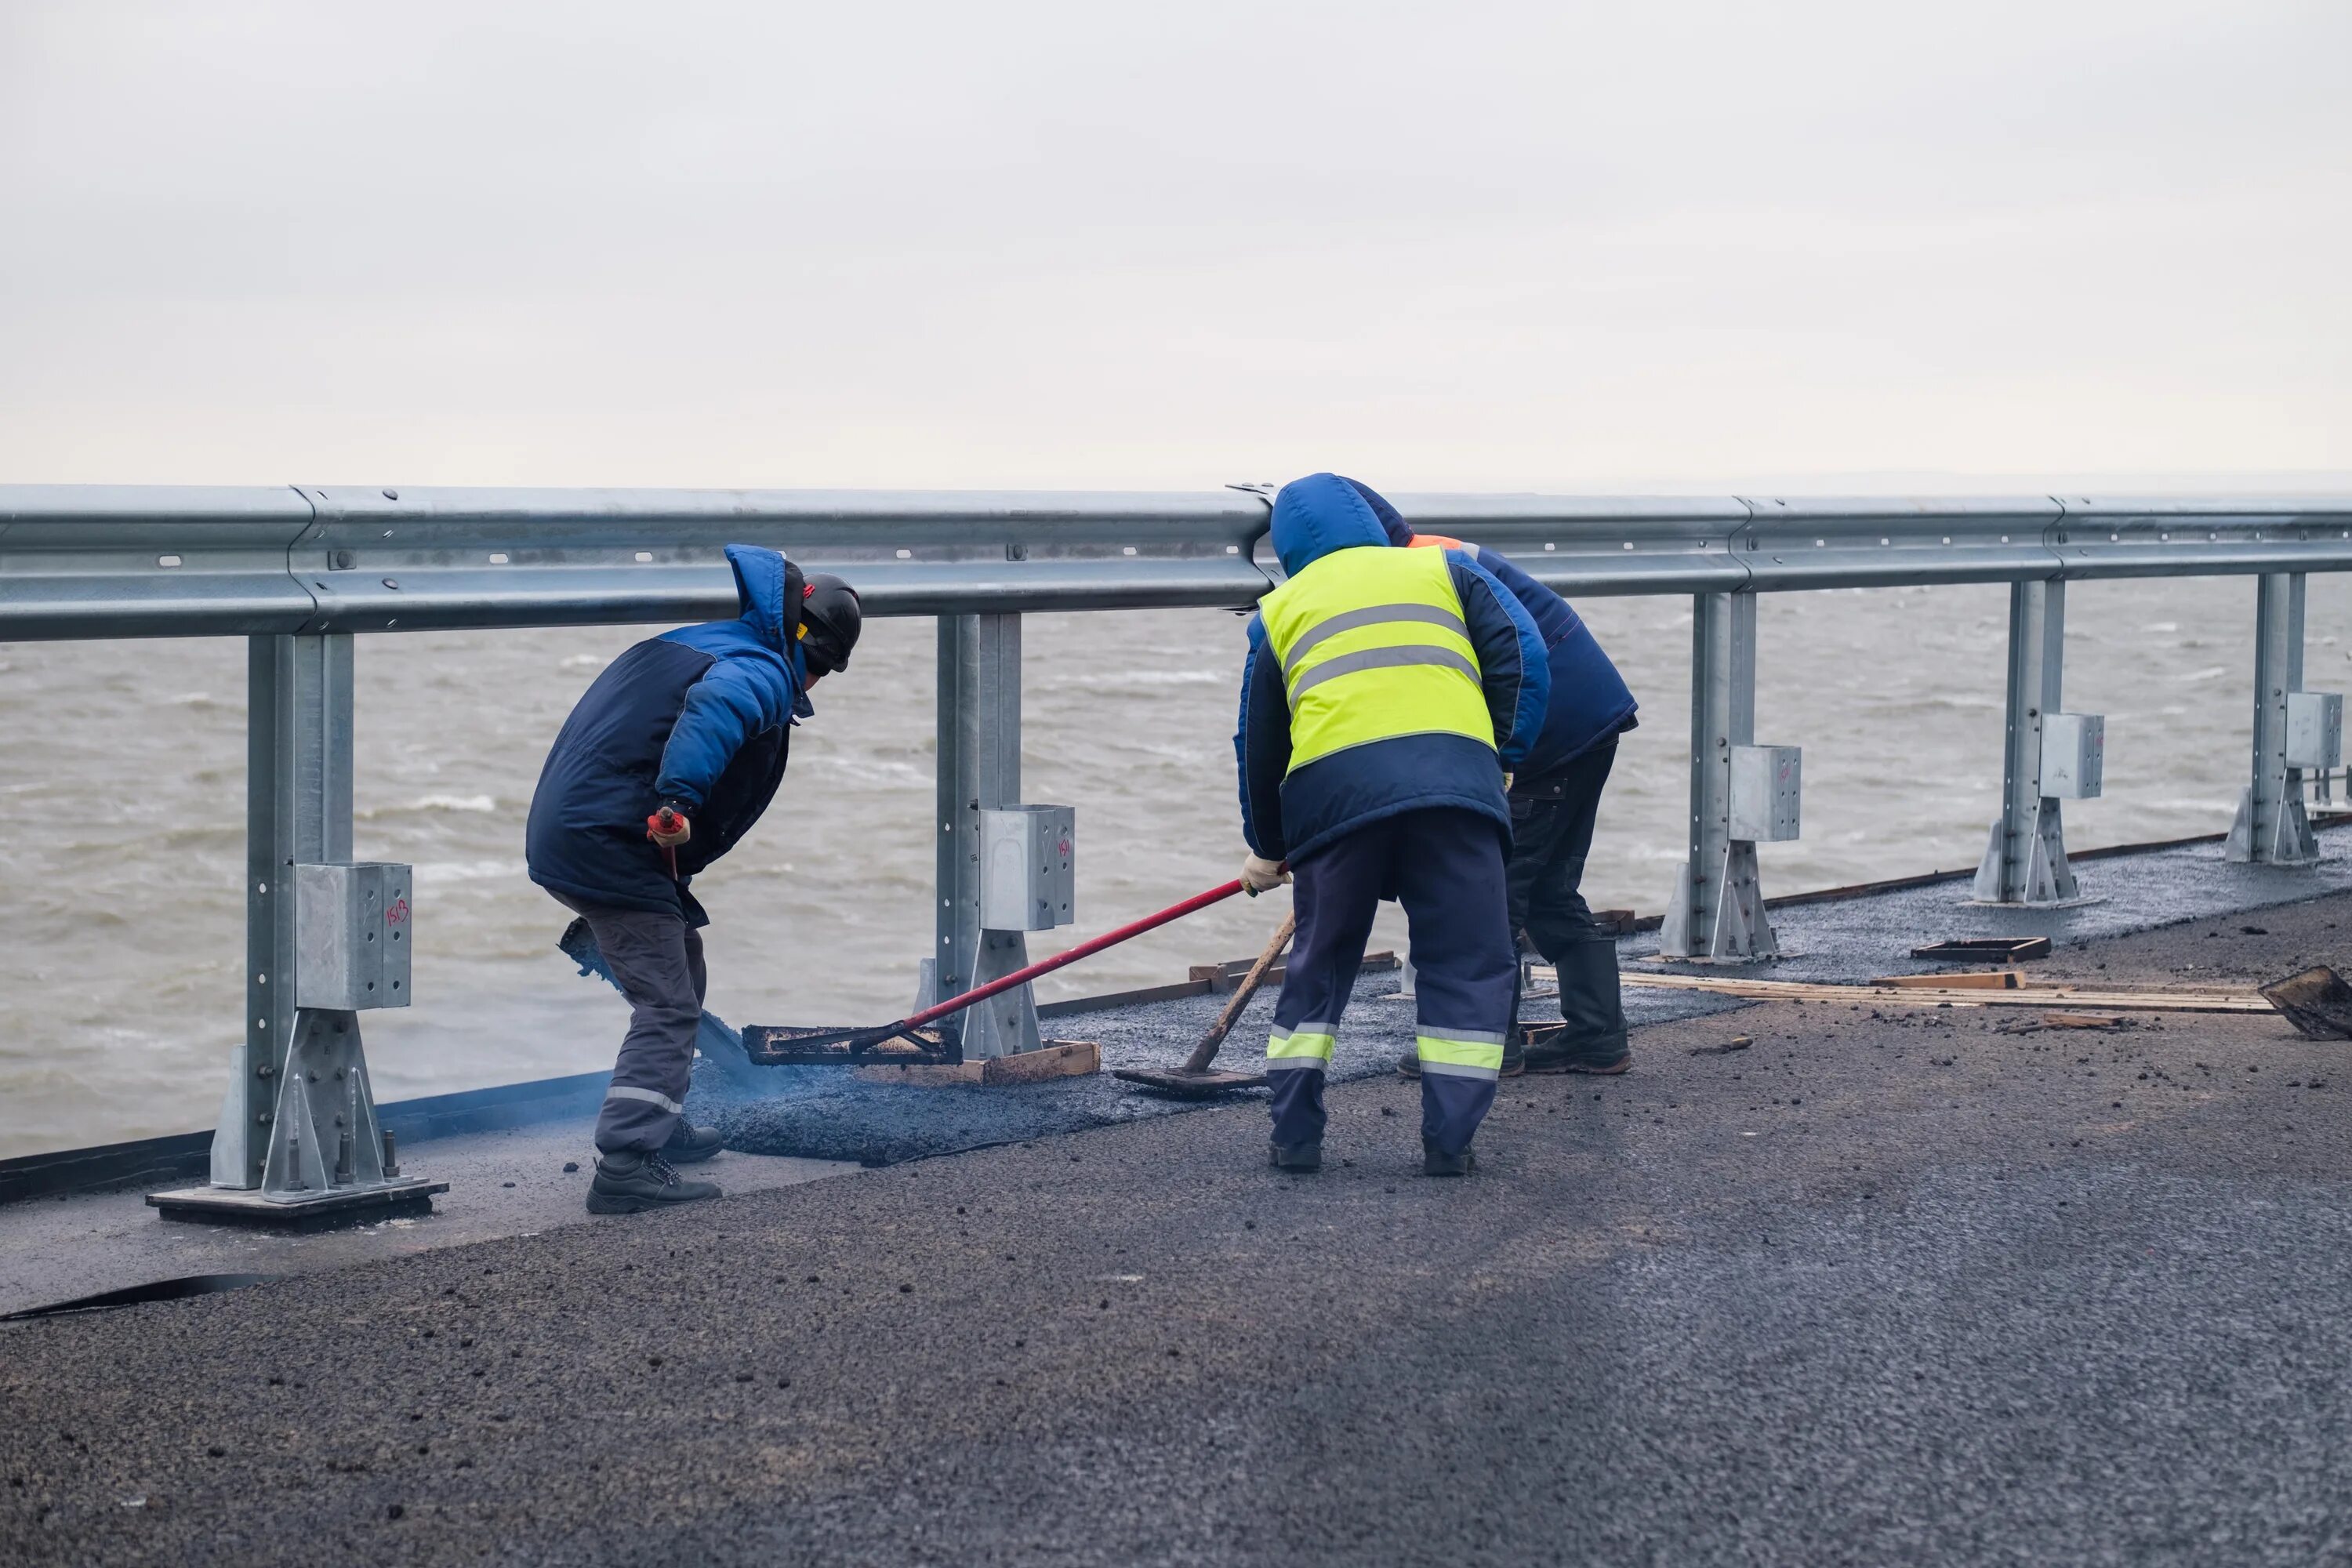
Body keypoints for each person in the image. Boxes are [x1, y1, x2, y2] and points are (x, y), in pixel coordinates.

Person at [526, 545, 862, 1215]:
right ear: (813, 654)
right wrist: (677, 802)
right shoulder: (760, 668)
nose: (816, 684)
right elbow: (716, 711)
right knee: (667, 1005)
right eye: (823, 670)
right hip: (614, 842)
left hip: (582, 828)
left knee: (683, 960)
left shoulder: (701, 641)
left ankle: (660, 1120)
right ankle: (626, 1163)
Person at [1235, 473, 1549, 1177]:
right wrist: (1500, 757)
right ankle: (1450, 1143)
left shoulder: (1278, 611)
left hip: (1336, 802)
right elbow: (1523, 657)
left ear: (1284, 550)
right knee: (1467, 962)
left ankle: (1295, 1138)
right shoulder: (1445, 568)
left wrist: (1269, 847)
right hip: (1456, 793)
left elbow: (1259, 740)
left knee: (1320, 961)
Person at [1352, 485, 1641, 1078]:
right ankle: (1597, 1038)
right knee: (1549, 888)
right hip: (1589, 721)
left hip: (1546, 737)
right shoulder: (1436, 553)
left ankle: (1485, 1049)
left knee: (1494, 896)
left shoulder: (1412, 580)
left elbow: (1466, 682)